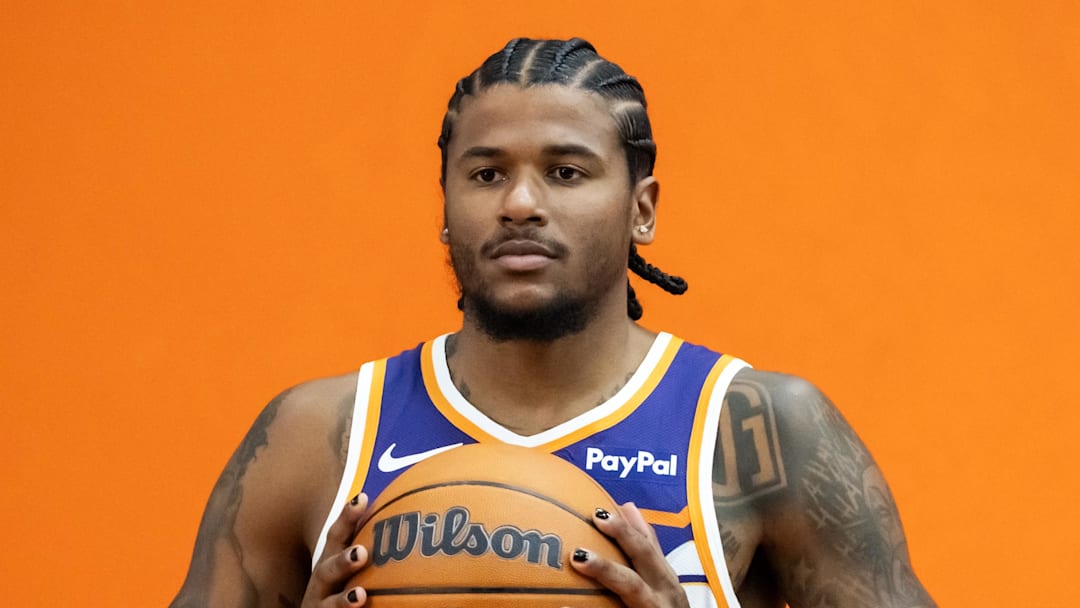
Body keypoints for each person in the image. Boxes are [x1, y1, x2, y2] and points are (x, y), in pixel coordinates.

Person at [171, 37, 936, 608]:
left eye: (566, 172)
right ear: (445, 208)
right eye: (486, 173)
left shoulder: (757, 429)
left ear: (642, 209)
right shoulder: (315, 438)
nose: (520, 204)